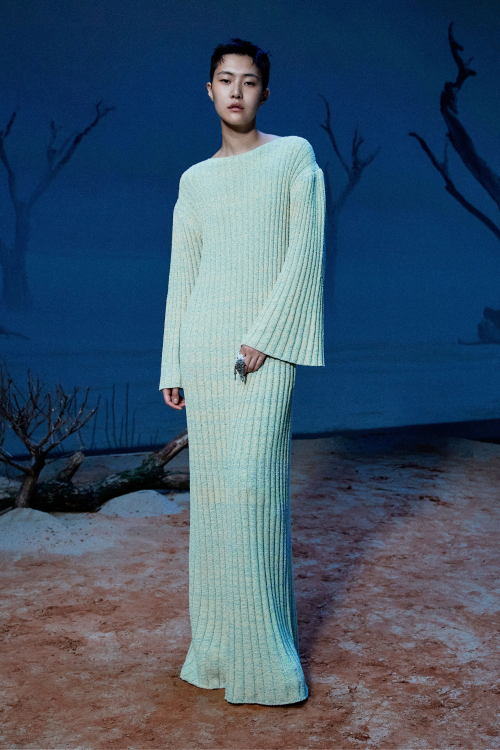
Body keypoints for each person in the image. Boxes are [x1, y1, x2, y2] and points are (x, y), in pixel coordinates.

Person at [159, 37, 326, 705]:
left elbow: (305, 254)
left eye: (248, 81)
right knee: (215, 508)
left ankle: (269, 668)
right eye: (225, 80)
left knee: (254, 497)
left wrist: (265, 336)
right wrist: (172, 361)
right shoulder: (194, 181)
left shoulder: (293, 157)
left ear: (264, 92)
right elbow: (183, 275)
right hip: (205, 351)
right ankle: (217, 653)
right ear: (209, 90)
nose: (236, 90)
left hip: (264, 353)